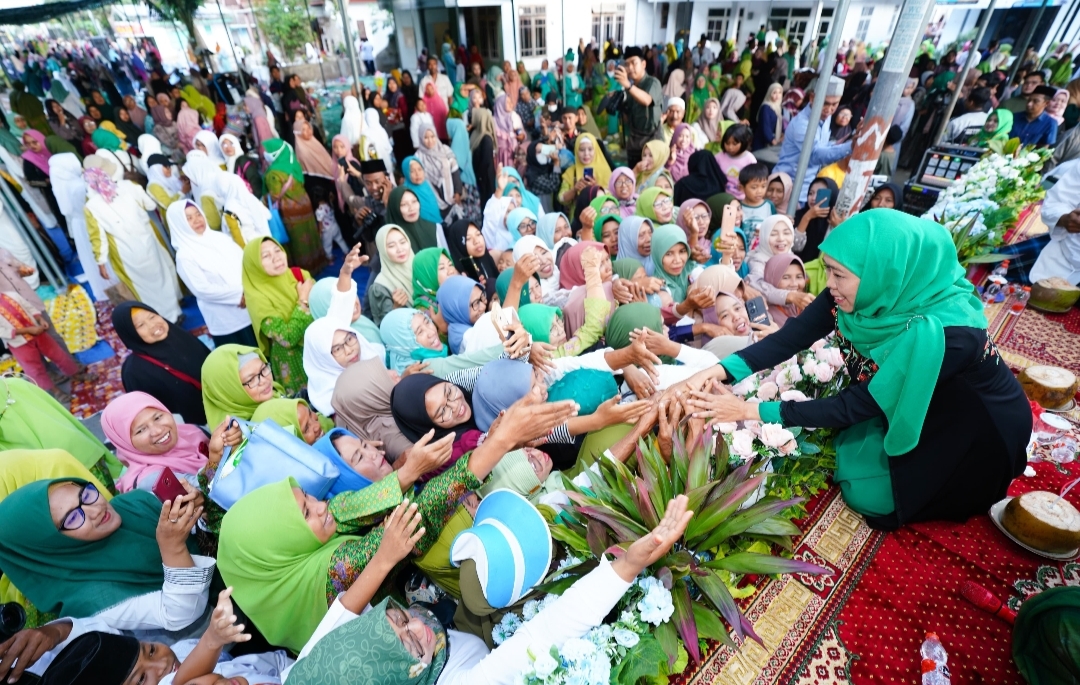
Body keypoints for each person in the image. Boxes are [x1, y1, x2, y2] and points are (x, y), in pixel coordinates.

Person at [685, 209, 1030, 530]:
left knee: (869, 497)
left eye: (839, 274)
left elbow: (858, 404)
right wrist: (719, 371)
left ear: (884, 271)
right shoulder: (859, 291)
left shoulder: (945, 336)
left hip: (974, 426)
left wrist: (750, 409)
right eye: (829, 269)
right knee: (849, 453)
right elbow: (793, 336)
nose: (829, 284)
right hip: (916, 400)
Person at [219, 388, 576, 654]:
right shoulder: (332, 573)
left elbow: (350, 504)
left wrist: (410, 470)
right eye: (307, 513)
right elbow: (418, 516)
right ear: (278, 543)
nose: (322, 506)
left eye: (310, 498)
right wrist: (499, 443)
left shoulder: (319, 525)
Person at [281, 490, 692, 685]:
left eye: (400, 618)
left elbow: (343, 614)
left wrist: (387, 557)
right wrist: (629, 564)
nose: (420, 626)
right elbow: (542, 634)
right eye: (410, 645)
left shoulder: (307, 674)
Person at [0, 475, 213, 631]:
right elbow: (181, 613)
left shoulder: (131, 504)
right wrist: (172, 546)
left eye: (86, 494)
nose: (96, 509)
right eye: (73, 518)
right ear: (51, 546)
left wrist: (199, 510)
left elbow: (199, 528)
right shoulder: (88, 600)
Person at [82, 158, 182, 322]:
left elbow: (97, 238)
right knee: (160, 277)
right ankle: (175, 312)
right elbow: (150, 206)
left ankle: (161, 319)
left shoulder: (91, 206)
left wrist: (100, 262)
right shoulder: (130, 186)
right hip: (147, 240)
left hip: (124, 252)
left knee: (141, 287)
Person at [166, 201, 256, 348]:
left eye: (198, 214)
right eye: (188, 218)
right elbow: (202, 289)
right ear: (179, 223)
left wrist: (251, 290)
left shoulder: (220, 238)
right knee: (247, 360)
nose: (197, 220)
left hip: (251, 303)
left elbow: (244, 263)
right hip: (227, 317)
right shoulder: (185, 255)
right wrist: (240, 294)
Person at [111, 302, 210, 426]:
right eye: (140, 325)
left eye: (152, 317)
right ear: (130, 333)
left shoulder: (180, 336)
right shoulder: (134, 372)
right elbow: (149, 413)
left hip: (224, 405)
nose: (152, 325)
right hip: (198, 427)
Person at [241, 237, 314, 394]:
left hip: (319, 348)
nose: (276, 258)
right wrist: (303, 301)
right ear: (255, 265)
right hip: (294, 362)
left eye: (277, 250)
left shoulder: (299, 274)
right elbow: (287, 337)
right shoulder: (257, 297)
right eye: (266, 256)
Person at [774, 75, 851, 204]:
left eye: (834, 104)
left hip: (808, 189)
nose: (829, 109)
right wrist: (850, 146)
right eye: (825, 103)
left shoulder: (826, 117)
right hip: (790, 191)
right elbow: (815, 155)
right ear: (812, 98)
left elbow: (823, 146)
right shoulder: (803, 124)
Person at [263, 139, 328, 274]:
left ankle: (304, 270)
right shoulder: (293, 164)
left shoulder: (273, 173)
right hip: (304, 204)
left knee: (298, 240)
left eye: (268, 151)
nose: (266, 154)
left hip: (289, 211)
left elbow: (275, 195)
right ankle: (318, 263)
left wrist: (262, 199)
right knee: (310, 234)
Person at [613, 46, 663, 168]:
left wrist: (628, 85)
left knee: (651, 184)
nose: (630, 68)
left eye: (634, 63)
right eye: (627, 64)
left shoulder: (652, 82)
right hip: (634, 144)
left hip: (652, 144)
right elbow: (628, 118)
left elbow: (647, 100)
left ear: (643, 64)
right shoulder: (629, 89)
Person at [559, 133, 612, 209]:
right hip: (578, 217)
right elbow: (561, 199)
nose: (586, 154)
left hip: (601, 215)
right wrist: (574, 189)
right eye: (582, 150)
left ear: (595, 150)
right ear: (576, 151)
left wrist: (596, 188)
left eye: (590, 149)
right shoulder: (571, 172)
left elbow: (614, 197)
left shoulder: (605, 171)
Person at [715, 124, 756, 200]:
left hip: (742, 198)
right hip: (721, 196)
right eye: (727, 143)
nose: (730, 147)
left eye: (734, 144)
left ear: (744, 142)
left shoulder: (750, 159)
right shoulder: (719, 157)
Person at [469, 107, 498, 208]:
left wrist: (479, 177)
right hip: (478, 175)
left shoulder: (486, 138)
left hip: (484, 178)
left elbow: (485, 162)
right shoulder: (476, 133)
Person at [753, 83, 784, 151]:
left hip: (772, 142)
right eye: (774, 93)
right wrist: (772, 140)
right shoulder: (766, 107)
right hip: (763, 143)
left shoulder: (778, 107)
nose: (777, 96)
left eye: (779, 92)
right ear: (770, 93)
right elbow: (765, 126)